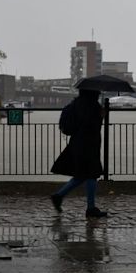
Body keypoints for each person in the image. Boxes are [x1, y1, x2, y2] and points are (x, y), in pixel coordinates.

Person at [50, 89, 108, 218]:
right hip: (89, 144)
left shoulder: (74, 105)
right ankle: (90, 208)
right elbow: (92, 126)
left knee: (82, 175)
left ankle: (59, 196)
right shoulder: (93, 106)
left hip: (76, 143)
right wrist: (101, 116)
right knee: (92, 174)